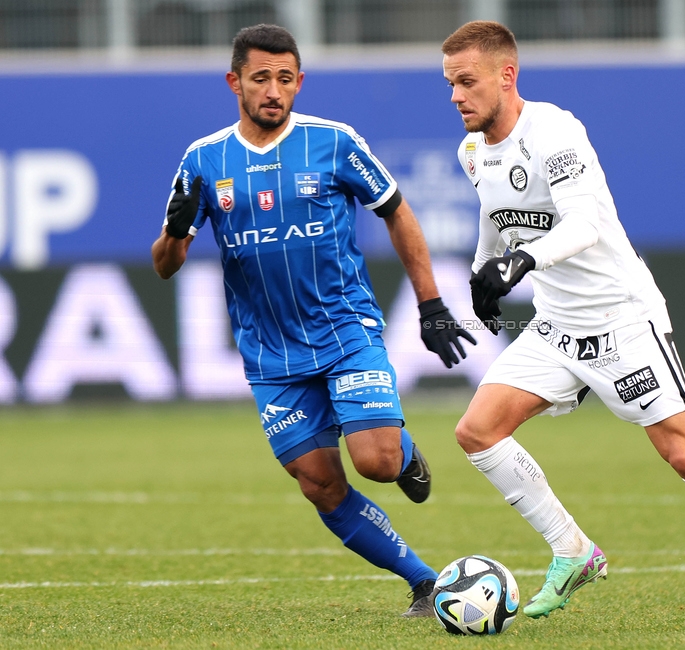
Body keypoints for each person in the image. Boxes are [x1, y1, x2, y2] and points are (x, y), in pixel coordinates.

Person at [441, 21, 685, 629]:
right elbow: (494, 213)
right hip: (556, 324)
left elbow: (585, 221)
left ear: (506, 76)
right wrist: (486, 269)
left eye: (466, 81)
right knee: (478, 431)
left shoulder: (556, 131)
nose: (456, 96)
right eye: (450, 83)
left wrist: (524, 260)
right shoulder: (472, 151)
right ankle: (573, 550)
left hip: (620, 320)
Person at [152, 23, 476, 618]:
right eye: (260, 79)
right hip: (270, 355)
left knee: (374, 464)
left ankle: (401, 453)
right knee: (320, 484)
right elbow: (165, 265)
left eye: (285, 78)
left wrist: (430, 305)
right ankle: (426, 584)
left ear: (299, 81)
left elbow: (397, 213)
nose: (273, 91)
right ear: (235, 83)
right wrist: (174, 231)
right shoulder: (203, 160)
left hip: (344, 332)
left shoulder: (333, 142)